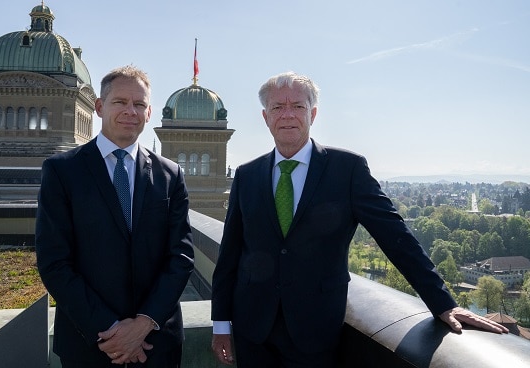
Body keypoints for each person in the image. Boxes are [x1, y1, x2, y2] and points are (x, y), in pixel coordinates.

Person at [210, 71, 508, 367]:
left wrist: (443, 303)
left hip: (315, 331)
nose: (288, 114)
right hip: (252, 330)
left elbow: (395, 236)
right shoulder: (247, 175)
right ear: (265, 117)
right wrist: (221, 324)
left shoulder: (347, 169)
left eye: (298, 106)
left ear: (313, 113)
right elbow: (230, 254)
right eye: (277, 107)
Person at [36, 65, 195, 368]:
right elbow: (54, 262)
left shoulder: (170, 174)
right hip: (90, 344)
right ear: (99, 106)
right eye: (120, 102)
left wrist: (143, 324)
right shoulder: (62, 172)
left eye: (139, 104)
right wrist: (112, 331)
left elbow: (181, 257)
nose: (130, 111)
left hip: (156, 344)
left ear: (149, 114)